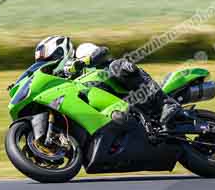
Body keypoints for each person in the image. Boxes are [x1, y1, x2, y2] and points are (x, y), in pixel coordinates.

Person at [33, 36, 183, 127]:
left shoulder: (80, 52)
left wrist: (83, 61)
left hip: (124, 89)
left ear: (60, 51)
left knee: (117, 66)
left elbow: (103, 52)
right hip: (112, 107)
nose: (49, 63)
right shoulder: (62, 80)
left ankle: (165, 102)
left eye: (49, 59)